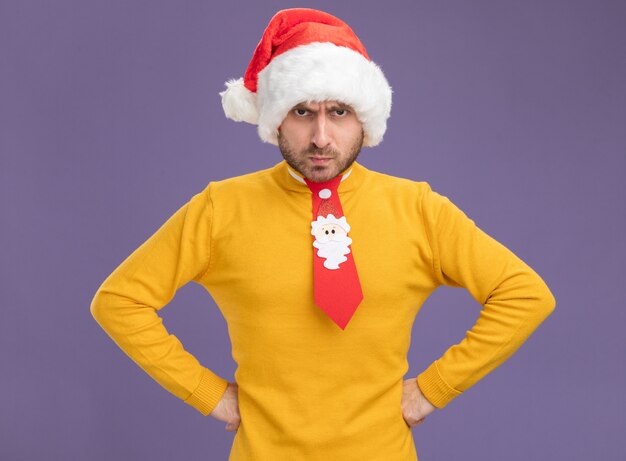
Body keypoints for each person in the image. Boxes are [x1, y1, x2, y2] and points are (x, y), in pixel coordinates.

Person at [90, 8, 556, 461]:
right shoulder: (221, 208)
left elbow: (523, 294)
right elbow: (120, 300)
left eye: (339, 111)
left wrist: (430, 391)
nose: (320, 136)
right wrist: (208, 394)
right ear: (275, 119)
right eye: (301, 111)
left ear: (365, 119)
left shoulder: (418, 209)